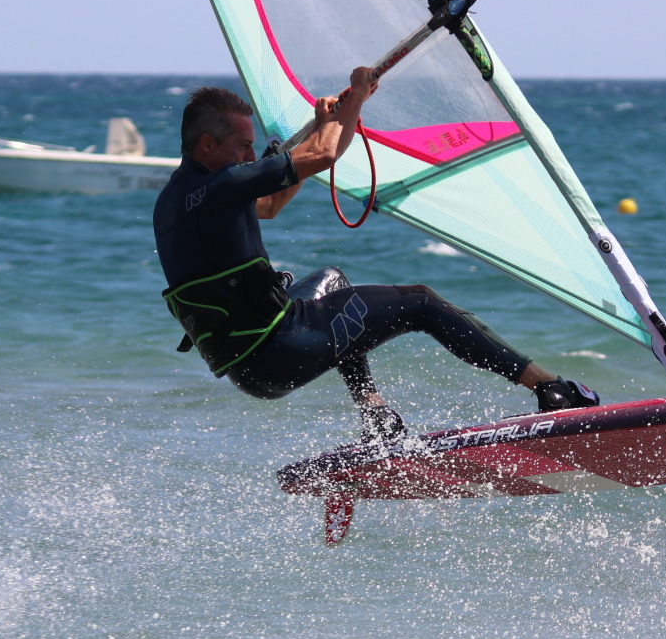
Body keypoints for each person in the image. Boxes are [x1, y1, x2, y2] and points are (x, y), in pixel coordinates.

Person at [153, 69, 599, 443]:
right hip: (280, 348)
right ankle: (550, 389)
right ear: (207, 145)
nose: (251, 155)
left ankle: (377, 417)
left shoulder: (178, 198)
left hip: (249, 366)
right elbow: (325, 152)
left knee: (332, 280)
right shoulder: (223, 184)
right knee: (421, 302)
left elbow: (268, 206)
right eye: (243, 146)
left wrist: (328, 125)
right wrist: (356, 99)